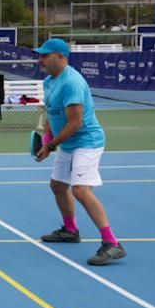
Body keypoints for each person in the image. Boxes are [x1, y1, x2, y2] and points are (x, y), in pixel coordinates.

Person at [33, 38, 125, 266]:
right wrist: (46, 140)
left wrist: (51, 145)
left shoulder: (71, 82)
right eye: (40, 55)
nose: (40, 59)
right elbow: (52, 114)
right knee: (58, 185)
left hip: (87, 142)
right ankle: (70, 230)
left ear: (61, 57)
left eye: (45, 55)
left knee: (81, 190)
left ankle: (112, 243)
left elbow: (76, 124)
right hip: (67, 143)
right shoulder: (49, 81)